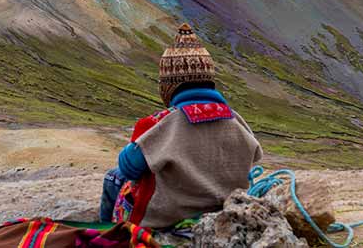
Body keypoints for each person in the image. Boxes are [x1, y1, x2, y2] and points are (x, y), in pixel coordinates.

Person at [100, 23, 263, 229]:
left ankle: (107, 235)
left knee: (113, 178)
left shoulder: (163, 122)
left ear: (169, 84)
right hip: (224, 210)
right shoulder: (235, 119)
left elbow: (129, 168)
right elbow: (255, 155)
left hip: (167, 217)